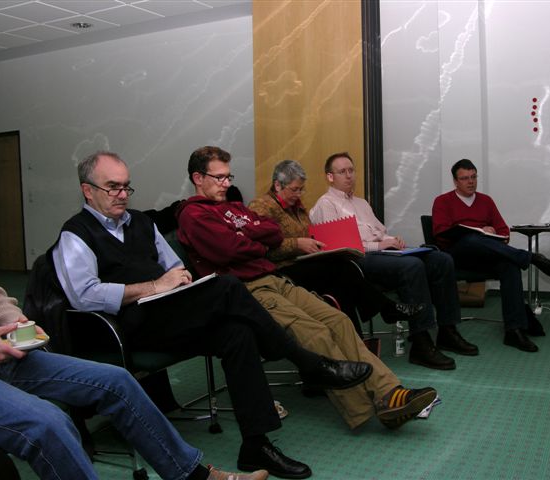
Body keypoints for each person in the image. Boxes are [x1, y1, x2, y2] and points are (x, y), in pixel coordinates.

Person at [52, 151, 372, 479]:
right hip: (127, 326)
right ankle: (309, 363)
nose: (122, 194)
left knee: (237, 333)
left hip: (166, 312)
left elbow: (174, 265)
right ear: (87, 190)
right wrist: (154, 286)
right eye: (112, 187)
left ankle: (256, 445)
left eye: (126, 186)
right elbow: (84, 295)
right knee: (229, 286)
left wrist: (178, 279)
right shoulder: (75, 234)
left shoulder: (141, 223)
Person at [177, 146, 437, 433]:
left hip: (276, 279)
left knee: (338, 320)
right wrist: (254, 239)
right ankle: (366, 406)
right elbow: (230, 250)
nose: (227, 184)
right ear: (198, 178)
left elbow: (272, 232)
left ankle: (389, 392)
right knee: (316, 333)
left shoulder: (233, 207)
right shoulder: (194, 214)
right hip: (246, 289)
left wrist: (247, 235)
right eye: (220, 178)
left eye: (229, 177)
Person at [0, 255, 268, 480]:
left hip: (4, 352)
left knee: (116, 381)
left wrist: (16, 322)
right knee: (48, 424)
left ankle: (192, 475)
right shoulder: (77, 235)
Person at [310, 152, 479, 371]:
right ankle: (421, 342)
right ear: (330, 177)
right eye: (342, 171)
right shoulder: (326, 204)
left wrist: (392, 240)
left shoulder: (361, 203)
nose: (349, 175)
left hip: (382, 253)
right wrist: (381, 245)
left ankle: (447, 330)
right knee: (413, 266)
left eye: (351, 170)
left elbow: (380, 232)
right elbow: (342, 248)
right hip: (357, 260)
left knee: (441, 260)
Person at [247, 159, 424, 335]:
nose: (299, 194)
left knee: (342, 283)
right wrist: (297, 244)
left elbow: (310, 235)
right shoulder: (262, 207)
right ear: (277, 185)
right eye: (294, 189)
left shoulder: (298, 208)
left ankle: (357, 338)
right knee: (343, 271)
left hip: (302, 262)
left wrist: (317, 244)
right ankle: (385, 310)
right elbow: (258, 248)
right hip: (281, 269)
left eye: (301, 189)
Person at [431, 158, 550, 352]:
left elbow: (504, 232)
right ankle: (530, 257)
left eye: (473, 177)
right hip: (456, 256)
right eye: (465, 178)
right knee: (471, 239)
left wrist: (491, 232)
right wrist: (475, 232)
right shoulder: (443, 201)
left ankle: (514, 330)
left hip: (485, 256)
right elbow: (440, 233)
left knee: (510, 265)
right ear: (455, 181)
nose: (470, 182)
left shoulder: (486, 201)